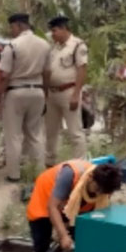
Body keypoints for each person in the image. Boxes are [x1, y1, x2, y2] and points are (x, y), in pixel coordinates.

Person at [27, 161, 122, 252]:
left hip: (74, 206)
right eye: (98, 189)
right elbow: (52, 207)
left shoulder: (106, 186)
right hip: (46, 200)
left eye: (103, 192)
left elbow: (100, 215)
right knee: (41, 244)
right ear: (91, 178)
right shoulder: (69, 175)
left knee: (84, 243)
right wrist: (63, 235)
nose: (98, 193)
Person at [0, 13, 50, 182]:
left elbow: (4, 75)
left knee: (13, 135)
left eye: (12, 27)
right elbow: (47, 72)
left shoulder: (12, 46)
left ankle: (14, 174)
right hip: (38, 91)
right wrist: (45, 93)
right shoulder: (44, 45)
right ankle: (39, 172)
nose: (11, 31)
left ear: (19, 26)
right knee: (35, 134)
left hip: (16, 91)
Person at [43, 16, 88, 167]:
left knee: (75, 131)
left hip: (69, 92)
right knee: (51, 132)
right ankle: (49, 163)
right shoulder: (54, 48)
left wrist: (76, 94)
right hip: (52, 93)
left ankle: (80, 165)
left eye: (55, 30)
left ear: (63, 29)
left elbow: (82, 70)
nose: (53, 34)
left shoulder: (77, 45)